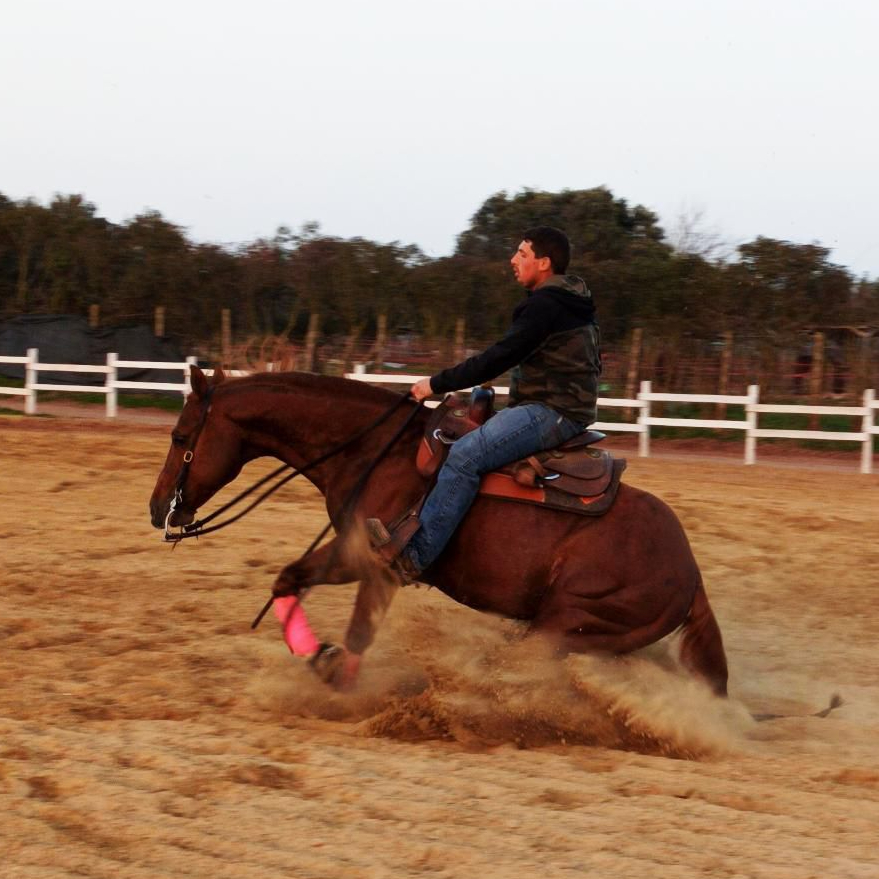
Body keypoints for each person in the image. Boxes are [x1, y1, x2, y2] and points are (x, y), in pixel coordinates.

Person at [367, 226, 601, 580]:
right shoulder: (570, 300)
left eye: (522, 254)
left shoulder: (546, 305)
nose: (513, 260)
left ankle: (415, 557)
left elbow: (498, 358)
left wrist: (434, 383)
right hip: (556, 405)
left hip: (552, 412)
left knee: (465, 456)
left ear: (544, 262)